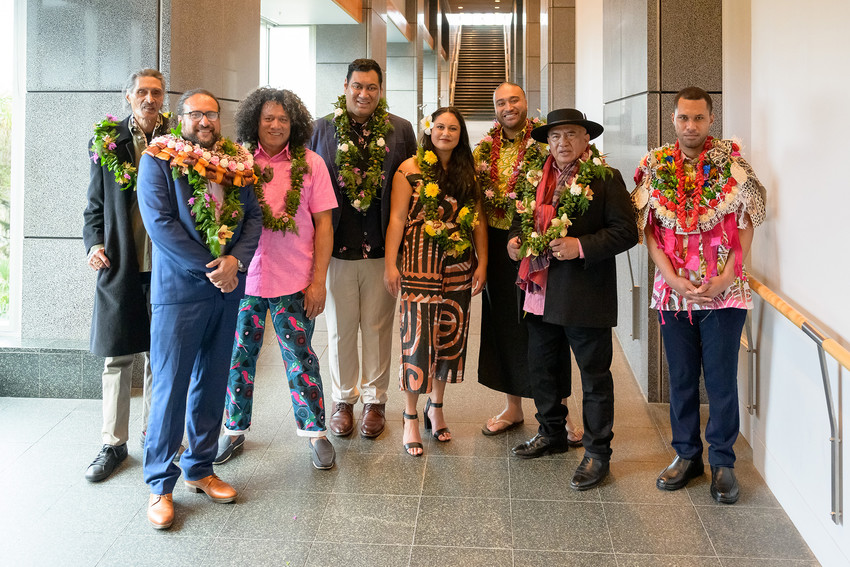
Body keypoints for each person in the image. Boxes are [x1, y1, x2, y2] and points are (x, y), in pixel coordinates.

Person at [633, 86, 766, 504]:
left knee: (722, 381)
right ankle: (687, 455)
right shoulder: (654, 166)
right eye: (683, 118)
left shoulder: (733, 165)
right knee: (683, 378)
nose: (691, 126)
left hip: (725, 291)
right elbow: (648, 230)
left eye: (699, 118)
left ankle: (723, 462)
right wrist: (669, 277)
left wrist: (728, 276)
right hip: (673, 292)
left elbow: (747, 220)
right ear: (672, 119)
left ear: (711, 120)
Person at [137, 89, 262, 529]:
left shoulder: (236, 163)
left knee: (211, 382)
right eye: (196, 114)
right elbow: (161, 226)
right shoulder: (158, 159)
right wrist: (214, 268)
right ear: (181, 117)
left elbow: (254, 219)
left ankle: (201, 467)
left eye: (211, 114)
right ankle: (159, 485)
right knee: (170, 389)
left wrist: (235, 263)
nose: (204, 121)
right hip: (180, 292)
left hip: (227, 291)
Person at [508, 109, 638, 492]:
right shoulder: (536, 178)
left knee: (594, 376)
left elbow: (626, 232)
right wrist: (514, 242)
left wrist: (580, 245)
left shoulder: (605, 178)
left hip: (584, 294)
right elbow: (521, 220)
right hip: (538, 291)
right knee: (543, 368)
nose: (562, 143)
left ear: (586, 141)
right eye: (555, 136)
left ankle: (598, 453)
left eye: (571, 135)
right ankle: (551, 433)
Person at [213, 87, 338, 470]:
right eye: (268, 117)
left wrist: (319, 282)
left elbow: (325, 225)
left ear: (295, 123)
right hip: (243, 281)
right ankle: (233, 429)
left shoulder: (312, 163)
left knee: (300, 358)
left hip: (294, 280)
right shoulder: (237, 162)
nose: (276, 124)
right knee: (238, 358)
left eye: (283, 118)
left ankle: (316, 432)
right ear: (255, 120)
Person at [309, 58, 417, 439]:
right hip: (335, 248)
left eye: (371, 87)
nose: (364, 94)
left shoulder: (400, 130)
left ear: (380, 90)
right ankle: (343, 399)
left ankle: (375, 401)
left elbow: (413, 188)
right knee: (338, 330)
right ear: (345, 86)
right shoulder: (320, 129)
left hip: (382, 249)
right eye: (357, 86)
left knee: (377, 326)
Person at [473, 82, 582, 444]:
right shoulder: (483, 150)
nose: (508, 106)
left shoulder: (544, 141)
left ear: (526, 102)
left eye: (514, 99)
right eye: (500, 101)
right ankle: (513, 407)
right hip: (500, 248)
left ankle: (560, 412)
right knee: (504, 327)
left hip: (542, 249)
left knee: (549, 329)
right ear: (495, 108)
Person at [82, 69, 170, 482]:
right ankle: (112, 444)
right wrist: (94, 244)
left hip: (167, 268)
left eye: (156, 92)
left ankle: (155, 435)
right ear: (127, 96)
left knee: (159, 355)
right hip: (121, 263)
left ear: (164, 97)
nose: (149, 98)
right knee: (117, 355)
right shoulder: (108, 140)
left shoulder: (178, 141)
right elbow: (94, 206)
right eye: (142, 92)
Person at [384, 107, 487, 456]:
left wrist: (483, 262)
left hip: (459, 264)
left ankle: (436, 407)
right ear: (430, 130)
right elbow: (397, 219)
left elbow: (477, 222)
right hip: (418, 265)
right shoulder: (410, 170)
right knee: (417, 339)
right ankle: (410, 414)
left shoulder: (465, 173)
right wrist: (390, 264)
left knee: (450, 336)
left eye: (453, 128)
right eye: (440, 126)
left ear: (461, 135)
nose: (445, 133)